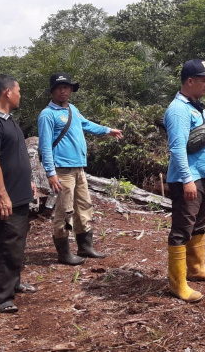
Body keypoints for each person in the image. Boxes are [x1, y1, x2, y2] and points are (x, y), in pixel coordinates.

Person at [38, 72, 123, 265]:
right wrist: (50, 174)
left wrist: (108, 131)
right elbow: (44, 146)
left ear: (71, 90)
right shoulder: (47, 115)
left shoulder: (72, 110)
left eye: (66, 87)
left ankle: (85, 247)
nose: (63, 91)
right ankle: (64, 253)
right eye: (59, 87)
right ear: (52, 91)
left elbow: (86, 124)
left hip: (78, 169)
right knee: (64, 211)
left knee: (83, 207)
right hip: (62, 171)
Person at [163, 59, 205, 303]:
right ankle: (177, 283)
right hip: (190, 179)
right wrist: (187, 180)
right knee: (182, 229)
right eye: (204, 80)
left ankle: (196, 269)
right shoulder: (178, 110)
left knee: (200, 224)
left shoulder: (195, 105)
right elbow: (177, 148)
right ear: (190, 81)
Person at [0, 74, 38, 313]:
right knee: (6, 244)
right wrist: (2, 195)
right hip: (6, 198)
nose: (20, 95)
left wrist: (29, 181)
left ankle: (14, 282)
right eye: (19, 90)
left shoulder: (8, 120)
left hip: (19, 193)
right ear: (7, 93)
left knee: (16, 244)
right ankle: (2, 297)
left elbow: (16, 156)